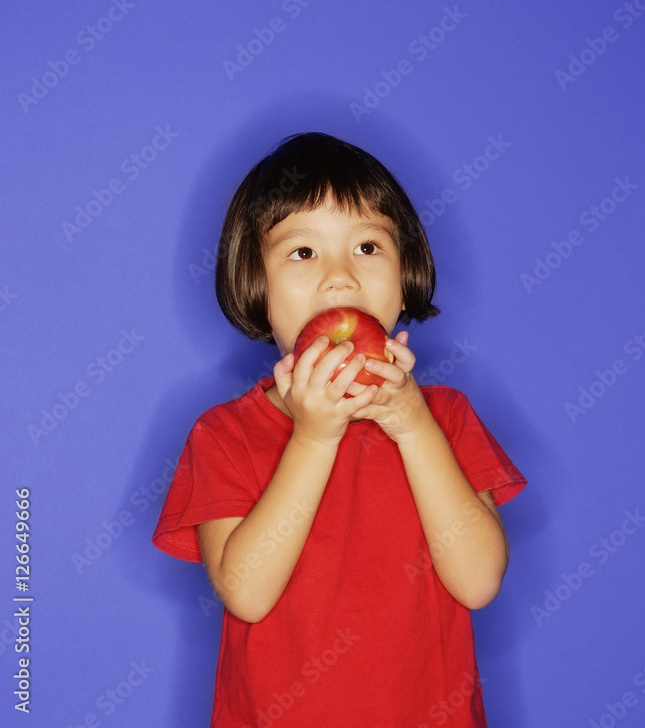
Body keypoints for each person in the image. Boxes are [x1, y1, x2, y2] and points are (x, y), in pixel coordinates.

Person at [152, 130, 527, 728]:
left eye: (368, 247)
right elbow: (245, 592)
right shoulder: (224, 434)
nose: (340, 279)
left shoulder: (446, 418)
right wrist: (313, 437)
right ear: (258, 285)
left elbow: (480, 580)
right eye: (303, 252)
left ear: (405, 274)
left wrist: (412, 426)